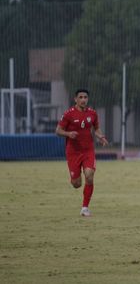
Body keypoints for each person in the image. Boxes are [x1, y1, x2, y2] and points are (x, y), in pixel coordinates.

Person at [55, 89, 108, 217]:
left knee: (89, 175)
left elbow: (96, 128)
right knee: (76, 184)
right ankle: (74, 177)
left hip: (88, 150)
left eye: (85, 97)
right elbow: (58, 130)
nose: (83, 99)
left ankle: (85, 208)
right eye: (81, 97)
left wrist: (100, 136)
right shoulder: (68, 114)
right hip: (73, 152)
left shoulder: (92, 113)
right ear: (75, 99)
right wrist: (68, 134)